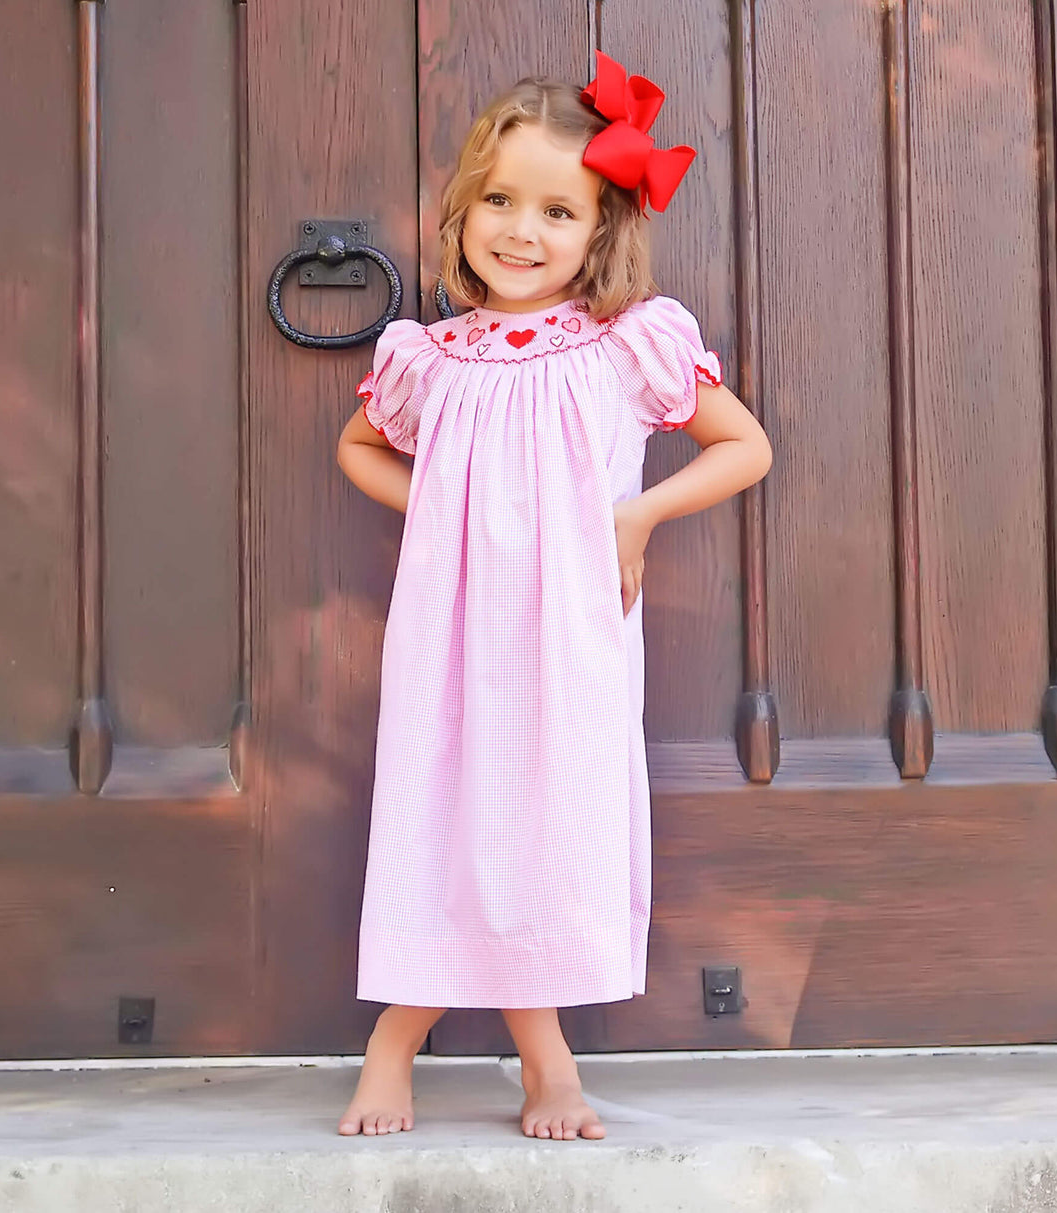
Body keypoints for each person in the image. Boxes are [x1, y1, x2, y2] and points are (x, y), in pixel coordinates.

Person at [334, 52, 773, 1142]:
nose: (520, 230)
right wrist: (443, 512)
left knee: (543, 826)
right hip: (451, 633)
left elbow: (741, 447)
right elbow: (358, 446)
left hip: (571, 632)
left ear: (599, 229)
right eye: (497, 199)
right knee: (447, 816)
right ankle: (417, 1041)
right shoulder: (430, 359)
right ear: (462, 209)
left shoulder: (624, 347)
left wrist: (632, 518)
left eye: (555, 209)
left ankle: (529, 1054)